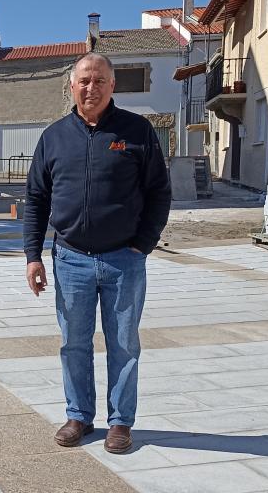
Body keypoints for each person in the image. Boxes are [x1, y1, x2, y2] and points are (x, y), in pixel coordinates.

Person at [23, 52, 171, 454]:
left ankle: (120, 422)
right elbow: (36, 199)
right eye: (84, 81)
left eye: (100, 80)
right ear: (72, 86)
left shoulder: (137, 131)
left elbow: (160, 193)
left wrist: (141, 245)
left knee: (124, 343)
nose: (91, 87)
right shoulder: (54, 137)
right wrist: (32, 255)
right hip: (70, 259)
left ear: (112, 85)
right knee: (74, 342)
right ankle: (79, 416)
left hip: (124, 259)